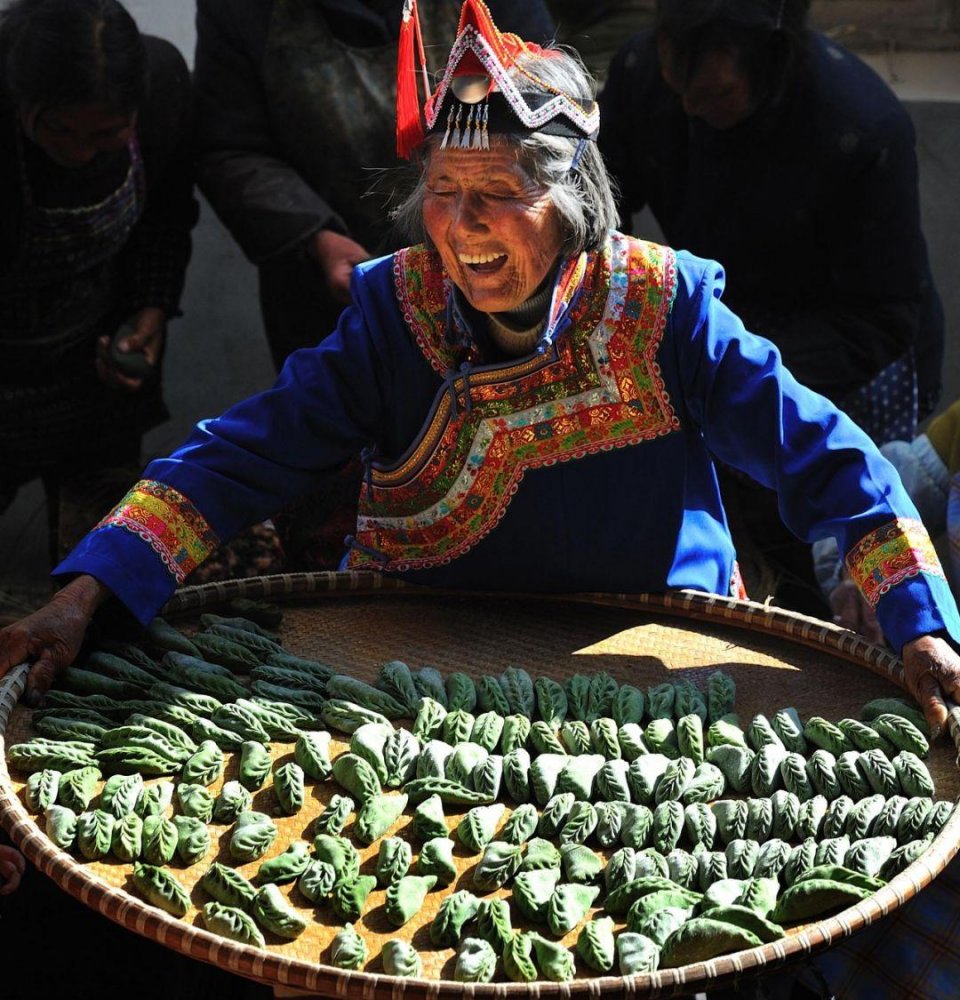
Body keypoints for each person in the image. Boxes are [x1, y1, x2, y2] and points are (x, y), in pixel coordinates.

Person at [1, 0, 959, 734]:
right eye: (446, 194)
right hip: (416, 654)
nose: (464, 230)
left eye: (500, 194)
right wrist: (88, 590)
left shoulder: (668, 310)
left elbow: (826, 459)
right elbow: (236, 457)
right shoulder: (394, 311)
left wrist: (918, 621)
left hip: (652, 652)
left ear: (576, 203)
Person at [596, 0, 946, 618]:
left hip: (846, 349)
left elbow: (885, 318)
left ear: (771, 62)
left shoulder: (858, 128)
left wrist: (720, 363)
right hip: (716, 327)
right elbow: (601, 207)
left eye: (715, 94)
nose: (688, 110)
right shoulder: (644, 75)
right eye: (679, 85)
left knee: (829, 567)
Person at [0, 0, 197, 566]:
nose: (79, 152)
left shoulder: (163, 92)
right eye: (57, 129)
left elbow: (165, 217)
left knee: (96, 567)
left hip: (93, 379)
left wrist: (149, 310)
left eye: (107, 135)